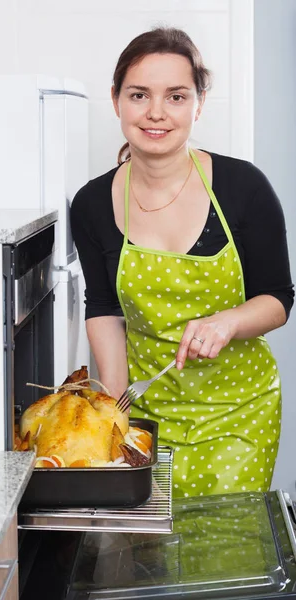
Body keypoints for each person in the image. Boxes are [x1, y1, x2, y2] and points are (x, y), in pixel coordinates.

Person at [70, 26, 294, 498]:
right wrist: (116, 412)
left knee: (221, 552)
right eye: (139, 95)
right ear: (116, 100)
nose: (155, 112)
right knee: (154, 557)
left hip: (238, 411)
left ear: (199, 102)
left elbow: (278, 298)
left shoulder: (244, 187)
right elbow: (105, 309)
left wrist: (228, 321)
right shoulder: (91, 204)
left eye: (175, 96)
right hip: (150, 413)